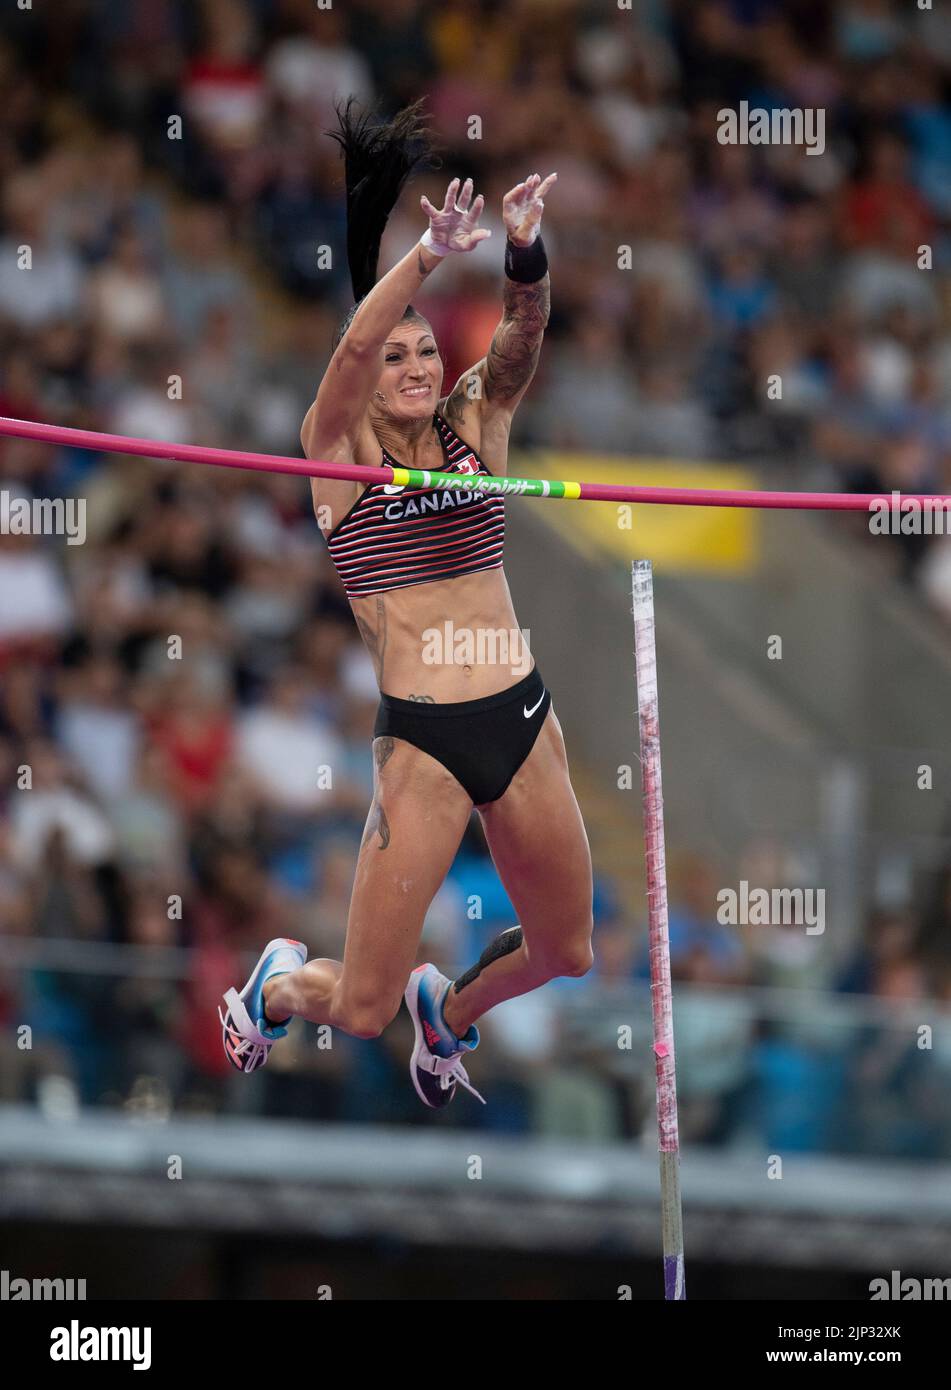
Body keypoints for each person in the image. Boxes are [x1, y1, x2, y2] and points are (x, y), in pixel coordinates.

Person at [220, 100, 593, 1107]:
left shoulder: (476, 418)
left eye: (426, 352)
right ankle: (278, 983)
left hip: (519, 716)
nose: (419, 367)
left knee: (567, 948)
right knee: (358, 1006)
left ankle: (454, 1014)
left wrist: (522, 249)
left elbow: (523, 333)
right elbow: (347, 357)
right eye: (400, 357)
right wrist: (424, 257)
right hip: (424, 743)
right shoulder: (336, 457)